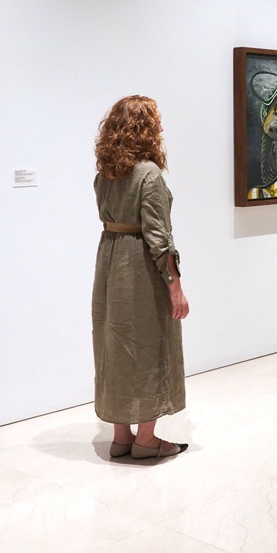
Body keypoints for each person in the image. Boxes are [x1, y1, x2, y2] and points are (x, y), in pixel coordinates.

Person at [92, 96, 189, 459]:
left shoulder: (106, 173)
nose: (161, 129)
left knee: (115, 345)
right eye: (157, 122)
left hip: (109, 264)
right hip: (138, 270)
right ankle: (147, 440)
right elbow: (159, 239)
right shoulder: (148, 174)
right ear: (143, 128)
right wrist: (176, 288)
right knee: (150, 344)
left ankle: (121, 438)